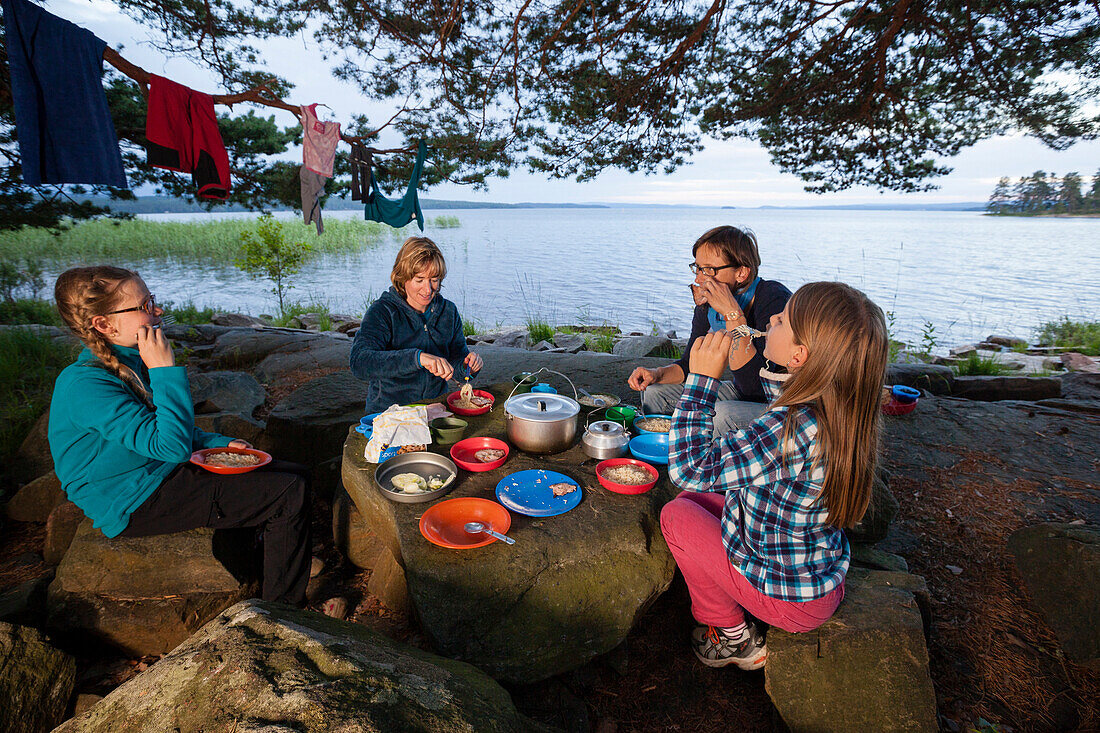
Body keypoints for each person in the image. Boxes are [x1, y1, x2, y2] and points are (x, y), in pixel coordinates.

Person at [48, 266, 311, 606]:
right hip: (132, 496)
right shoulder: (86, 384)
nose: (157, 311)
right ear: (104, 324)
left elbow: (158, 428)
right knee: (289, 493)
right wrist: (164, 370)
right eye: (143, 306)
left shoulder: (127, 360)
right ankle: (285, 612)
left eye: (152, 300)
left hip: (154, 468)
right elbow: (169, 445)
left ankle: (259, 566)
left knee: (296, 473)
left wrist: (215, 444)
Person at [659, 281, 888, 670]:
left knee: (676, 516)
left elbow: (689, 468)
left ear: (799, 355)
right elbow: (771, 390)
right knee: (692, 504)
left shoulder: (793, 427)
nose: (770, 319)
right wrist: (737, 329)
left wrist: (700, 383)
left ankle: (734, 637)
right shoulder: (837, 403)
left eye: (781, 320)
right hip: (809, 568)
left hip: (788, 599)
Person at [628, 226, 790, 435]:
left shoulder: (772, 300)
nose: (699, 279)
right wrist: (656, 374)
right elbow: (689, 366)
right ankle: (665, 451)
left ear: (741, 272)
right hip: (740, 391)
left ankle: (704, 462)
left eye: (709, 270)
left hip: (779, 403)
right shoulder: (709, 305)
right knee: (655, 393)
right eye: (697, 268)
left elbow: (757, 388)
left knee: (723, 413)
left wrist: (733, 314)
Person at [350, 236, 483, 412]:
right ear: (402, 277)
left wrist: (468, 367)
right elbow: (360, 363)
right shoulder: (383, 311)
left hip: (434, 408)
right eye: (419, 280)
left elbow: (457, 367)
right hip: (390, 412)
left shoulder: (448, 311)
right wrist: (417, 358)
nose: (428, 289)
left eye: (434, 279)